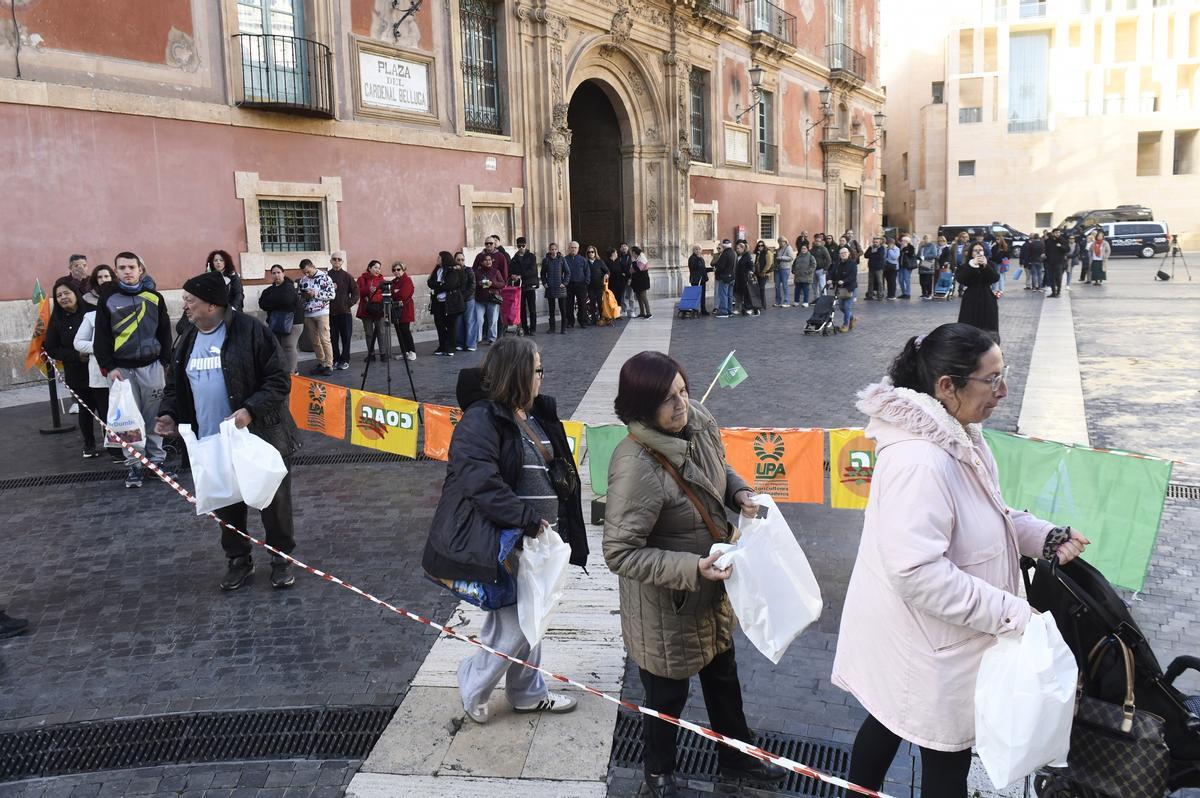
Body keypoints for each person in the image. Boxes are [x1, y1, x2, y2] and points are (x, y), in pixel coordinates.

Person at [833, 323, 1090, 798]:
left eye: (1002, 374)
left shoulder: (961, 436)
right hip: (930, 642)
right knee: (943, 755)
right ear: (946, 387)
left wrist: (1043, 537)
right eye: (990, 379)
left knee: (890, 719)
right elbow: (918, 572)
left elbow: (987, 515)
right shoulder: (921, 459)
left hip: (927, 635)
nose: (1003, 390)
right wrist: (1014, 615)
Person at [603, 351, 787, 798]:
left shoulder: (698, 418)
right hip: (668, 607)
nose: (682, 404)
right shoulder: (635, 468)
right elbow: (620, 553)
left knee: (724, 680)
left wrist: (739, 489)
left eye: (683, 391)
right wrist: (692, 568)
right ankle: (658, 775)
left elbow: (713, 470)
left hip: (713, 592)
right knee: (666, 700)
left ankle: (737, 759)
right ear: (643, 408)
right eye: (668, 400)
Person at [423, 337, 587, 724]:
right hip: (506, 540)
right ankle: (473, 685)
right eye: (537, 370)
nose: (542, 378)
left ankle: (527, 692)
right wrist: (525, 518)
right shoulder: (480, 419)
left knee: (531, 620)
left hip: (537, 541)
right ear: (517, 374)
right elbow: (480, 481)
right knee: (515, 626)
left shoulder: (532, 414)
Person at [156, 271, 300, 591]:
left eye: (190, 300)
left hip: (259, 435)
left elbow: (278, 379)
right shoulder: (187, 336)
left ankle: (280, 558)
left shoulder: (250, 331)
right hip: (212, 441)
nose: (185, 305)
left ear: (211, 304)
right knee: (226, 503)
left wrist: (250, 410)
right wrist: (168, 413)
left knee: (272, 501)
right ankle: (238, 559)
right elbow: (175, 385)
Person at [92, 251, 173, 488]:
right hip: (122, 371)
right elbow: (103, 336)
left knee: (155, 417)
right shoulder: (108, 300)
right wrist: (109, 366)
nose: (127, 271)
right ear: (116, 272)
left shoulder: (154, 298)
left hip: (152, 367)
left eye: (131, 267)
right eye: (122, 267)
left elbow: (165, 331)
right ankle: (135, 465)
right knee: (127, 421)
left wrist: (164, 360)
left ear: (140, 270)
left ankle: (157, 460)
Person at [44, 278, 98, 457]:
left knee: (106, 409)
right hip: (76, 372)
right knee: (86, 409)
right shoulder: (56, 319)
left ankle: (114, 446)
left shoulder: (93, 312)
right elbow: (51, 348)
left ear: (76, 293)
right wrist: (76, 356)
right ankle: (89, 444)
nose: (63, 297)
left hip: (99, 370)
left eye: (66, 293)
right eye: (58, 295)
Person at [74, 265, 121, 461]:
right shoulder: (90, 316)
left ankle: (132, 443)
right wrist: (99, 346)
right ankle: (114, 449)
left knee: (124, 409)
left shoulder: (122, 313)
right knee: (106, 413)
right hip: (100, 375)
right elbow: (78, 342)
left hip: (123, 371)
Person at [258, 264, 305, 375]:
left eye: (278, 272)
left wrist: (272, 302)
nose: (276, 275)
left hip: (293, 322)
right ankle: (293, 369)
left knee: (289, 346)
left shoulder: (289, 287)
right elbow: (262, 304)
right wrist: (277, 301)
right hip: (276, 322)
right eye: (274, 273)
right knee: (280, 348)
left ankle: (291, 374)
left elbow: (287, 301)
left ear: (283, 273)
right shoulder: (269, 290)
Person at [298, 258, 336, 376]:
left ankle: (329, 365)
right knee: (314, 341)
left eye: (308, 272)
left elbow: (332, 295)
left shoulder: (325, 278)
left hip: (322, 312)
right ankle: (321, 362)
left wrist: (316, 294)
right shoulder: (303, 280)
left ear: (313, 266)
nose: (306, 274)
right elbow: (299, 295)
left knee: (325, 339)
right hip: (308, 313)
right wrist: (305, 296)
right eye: (304, 272)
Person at [957, 243, 1001, 343]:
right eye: (975, 250)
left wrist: (985, 267)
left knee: (989, 325)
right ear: (971, 252)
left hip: (987, 297)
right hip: (970, 297)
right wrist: (972, 266)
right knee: (969, 325)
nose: (978, 252)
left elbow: (994, 278)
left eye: (980, 250)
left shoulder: (991, 264)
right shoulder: (965, 266)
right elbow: (962, 279)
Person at [326, 251, 359, 370]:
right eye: (334, 259)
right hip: (329, 313)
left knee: (346, 338)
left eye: (339, 259)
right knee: (332, 338)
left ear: (342, 262)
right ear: (330, 261)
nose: (337, 261)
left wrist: (348, 304)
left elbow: (356, 293)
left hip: (345, 313)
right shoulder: (326, 276)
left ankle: (345, 360)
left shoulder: (347, 276)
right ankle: (335, 359)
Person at [429, 251, 464, 356]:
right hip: (438, 302)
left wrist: (438, 285)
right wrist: (440, 284)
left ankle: (450, 347)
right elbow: (430, 282)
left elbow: (450, 285)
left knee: (450, 325)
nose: (437, 259)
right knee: (439, 324)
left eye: (439, 257)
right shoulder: (437, 270)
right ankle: (442, 346)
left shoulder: (452, 271)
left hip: (451, 302)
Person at [356, 260, 387, 362]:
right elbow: (358, 292)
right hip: (367, 309)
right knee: (369, 333)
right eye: (375, 267)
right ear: (369, 268)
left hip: (378, 309)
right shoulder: (361, 279)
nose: (378, 270)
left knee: (381, 332)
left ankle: (383, 353)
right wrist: (368, 289)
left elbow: (385, 294)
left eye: (379, 268)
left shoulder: (381, 280)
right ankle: (371, 354)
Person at [388, 261, 416, 361]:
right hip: (395, 309)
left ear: (403, 269)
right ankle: (404, 352)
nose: (396, 272)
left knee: (405, 330)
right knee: (399, 331)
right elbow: (390, 294)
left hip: (405, 309)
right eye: (394, 270)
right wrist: (395, 292)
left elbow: (403, 294)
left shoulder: (407, 280)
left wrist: (396, 293)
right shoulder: (393, 282)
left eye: (398, 269)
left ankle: (412, 351)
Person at [474, 253, 504, 345]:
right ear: (482, 262)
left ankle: (492, 338)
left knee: (493, 320)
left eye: (490, 260)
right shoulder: (477, 272)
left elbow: (502, 283)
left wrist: (493, 284)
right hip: (480, 299)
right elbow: (473, 284)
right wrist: (480, 283)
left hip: (492, 299)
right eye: (486, 260)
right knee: (479, 319)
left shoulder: (496, 271)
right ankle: (478, 338)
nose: (488, 262)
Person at [512, 237, 539, 335]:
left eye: (523, 245)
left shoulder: (531, 256)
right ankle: (525, 328)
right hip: (519, 287)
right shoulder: (514, 258)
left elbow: (532, 270)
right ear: (517, 246)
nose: (521, 247)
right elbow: (511, 270)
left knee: (532, 309)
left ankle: (533, 329)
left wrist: (520, 275)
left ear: (526, 245)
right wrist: (513, 276)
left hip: (530, 285)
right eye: (519, 246)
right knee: (521, 309)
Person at [541, 243, 569, 334]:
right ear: (549, 250)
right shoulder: (546, 260)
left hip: (560, 287)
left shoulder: (562, 260)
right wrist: (544, 283)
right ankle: (552, 328)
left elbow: (568, 272)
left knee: (563, 309)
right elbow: (542, 273)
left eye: (555, 249)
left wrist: (564, 283)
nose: (553, 251)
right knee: (551, 310)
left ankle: (563, 328)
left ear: (557, 250)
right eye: (551, 249)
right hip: (550, 287)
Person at [830, 245, 858, 332]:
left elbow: (852, 276)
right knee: (841, 307)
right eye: (841, 253)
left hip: (850, 288)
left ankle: (845, 325)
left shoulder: (852, 263)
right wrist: (830, 279)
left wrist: (844, 281)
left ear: (848, 254)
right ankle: (852, 318)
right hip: (840, 289)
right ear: (839, 255)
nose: (843, 254)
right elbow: (832, 272)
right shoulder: (837, 263)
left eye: (845, 253)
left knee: (847, 307)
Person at [455, 251, 479, 352]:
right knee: (458, 322)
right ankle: (459, 343)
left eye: (462, 259)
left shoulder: (469, 270)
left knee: (470, 321)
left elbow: (473, 285)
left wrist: (464, 296)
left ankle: (471, 344)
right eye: (458, 260)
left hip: (468, 299)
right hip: (457, 300)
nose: (461, 262)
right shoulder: (453, 271)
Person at [563, 241, 591, 328]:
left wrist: (586, 281)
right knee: (569, 304)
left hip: (581, 284)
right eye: (572, 247)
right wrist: (563, 283)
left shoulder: (583, 259)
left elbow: (587, 271)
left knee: (582, 304)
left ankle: (582, 321)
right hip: (569, 285)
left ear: (578, 249)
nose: (573, 249)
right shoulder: (564, 259)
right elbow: (561, 271)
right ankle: (570, 322)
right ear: (569, 248)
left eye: (575, 248)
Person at [733, 241, 758, 316]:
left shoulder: (747, 256)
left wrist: (751, 273)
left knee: (747, 294)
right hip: (738, 278)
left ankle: (749, 308)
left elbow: (752, 266)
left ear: (743, 248)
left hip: (745, 278)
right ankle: (738, 308)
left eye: (738, 248)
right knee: (738, 293)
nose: (737, 250)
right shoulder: (737, 256)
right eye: (736, 248)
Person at [586, 246, 609, 325]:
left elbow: (607, 271)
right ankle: (593, 318)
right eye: (589, 252)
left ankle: (601, 318)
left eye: (592, 252)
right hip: (590, 286)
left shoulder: (600, 261)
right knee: (592, 302)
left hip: (599, 286)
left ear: (595, 253)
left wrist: (606, 275)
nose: (591, 253)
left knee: (600, 302)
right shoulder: (586, 262)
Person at [713, 239, 736, 318]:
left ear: (723, 245)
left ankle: (723, 312)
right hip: (732, 276)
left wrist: (717, 272)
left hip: (724, 277)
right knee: (729, 295)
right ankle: (729, 311)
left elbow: (721, 266)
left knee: (723, 295)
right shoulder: (733, 253)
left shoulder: (725, 254)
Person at [685, 244, 709, 316]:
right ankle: (695, 309)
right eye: (696, 249)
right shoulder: (692, 258)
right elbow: (694, 267)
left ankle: (703, 309)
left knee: (703, 295)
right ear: (693, 250)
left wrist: (711, 269)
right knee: (696, 296)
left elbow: (703, 269)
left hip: (702, 279)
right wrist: (698, 258)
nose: (698, 250)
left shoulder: (701, 258)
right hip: (696, 280)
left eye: (699, 249)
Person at [608, 246, 630, 319]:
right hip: (611, 285)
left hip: (619, 284)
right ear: (613, 253)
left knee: (618, 299)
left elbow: (623, 271)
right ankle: (611, 313)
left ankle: (617, 314)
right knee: (611, 300)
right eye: (616, 252)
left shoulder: (618, 262)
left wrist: (624, 277)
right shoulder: (607, 262)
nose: (617, 253)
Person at [1043, 230, 1067, 297]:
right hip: (1050, 262)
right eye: (1056, 233)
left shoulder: (1062, 240)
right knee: (1051, 278)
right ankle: (1053, 292)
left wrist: (1061, 246)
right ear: (1053, 233)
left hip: (1059, 262)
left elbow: (1067, 249)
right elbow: (1045, 249)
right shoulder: (1048, 241)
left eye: (1059, 233)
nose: (1058, 234)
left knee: (1058, 277)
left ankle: (1058, 292)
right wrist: (1044, 254)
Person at [630, 246, 652, 318]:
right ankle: (642, 312)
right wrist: (633, 269)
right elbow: (631, 270)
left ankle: (648, 313)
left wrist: (633, 262)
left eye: (631, 252)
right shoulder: (636, 258)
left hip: (642, 279)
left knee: (643, 296)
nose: (630, 253)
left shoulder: (642, 257)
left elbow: (638, 269)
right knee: (638, 296)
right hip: (637, 279)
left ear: (634, 252)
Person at [792, 242, 816, 308]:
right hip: (798, 276)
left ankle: (805, 302)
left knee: (806, 290)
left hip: (806, 276)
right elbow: (794, 264)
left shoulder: (810, 256)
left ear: (807, 249)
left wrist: (808, 272)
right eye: (802, 248)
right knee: (797, 290)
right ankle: (796, 301)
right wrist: (793, 270)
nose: (803, 250)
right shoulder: (798, 256)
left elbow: (814, 265)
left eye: (805, 248)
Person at [616, 242, 636, 317]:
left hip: (629, 278)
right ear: (620, 249)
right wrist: (621, 273)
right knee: (622, 296)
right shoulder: (619, 257)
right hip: (622, 279)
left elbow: (632, 268)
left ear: (627, 248)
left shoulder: (631, 257)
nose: (624, 248)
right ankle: (624, 310)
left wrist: (629, 276)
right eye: (622, 246)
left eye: (625, 246)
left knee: (631, 296)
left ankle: (632, 311)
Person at [752, 240, 773, 312]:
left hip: (764, 273)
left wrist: (763, 271)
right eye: (759, 246)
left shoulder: (768, 252)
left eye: (762, 245)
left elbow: (769, 263)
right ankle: (759, 304)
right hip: (758, 273)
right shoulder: (757, 253)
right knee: (758, 289)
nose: (760, 247)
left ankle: (763, 305)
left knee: (762, 288)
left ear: (764, 246)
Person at [773, 236, 793, 308]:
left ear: (785, 242)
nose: (780, 243)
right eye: (779, 242)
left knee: (785, 285)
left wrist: (781, 258)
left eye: (782, 241)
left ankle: (786, 301)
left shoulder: (789, 248)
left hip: (785, 268)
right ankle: (778, 301)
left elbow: (791, 258)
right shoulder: (779, 249)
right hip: (778, 268)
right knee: (777, 286)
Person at [917, 235, 939, 299]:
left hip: (928, 263)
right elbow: (918, 254)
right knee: (922, 280)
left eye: (927, 238)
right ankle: (923, 293)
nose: (926, 239)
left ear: (930, 239)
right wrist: (918, 257)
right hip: (921, 263)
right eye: (925, 238)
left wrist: (925, 256)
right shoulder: (922, 246)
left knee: (928, 280)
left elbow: (934, 254)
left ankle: (929, 293)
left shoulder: (933, 246)